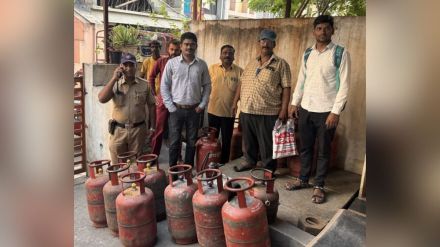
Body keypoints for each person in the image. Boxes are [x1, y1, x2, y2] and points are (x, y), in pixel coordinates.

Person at [286, 15, 351, 204]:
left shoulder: (340, 53)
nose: (323, 32)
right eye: (319, 28)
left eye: (327, 28)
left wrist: (335, 112)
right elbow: (302, 80)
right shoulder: (308, 53)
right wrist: (294, 102)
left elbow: (345, 85)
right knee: (305, 148)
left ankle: (319, 185)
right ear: (314, 31)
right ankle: (303, 179)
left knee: (323, 150)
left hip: (326, 111)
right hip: (306, 108)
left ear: (333, 30)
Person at [232, 29, 291, 173]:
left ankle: (268, 169)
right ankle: (249, 161)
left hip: (268, 112)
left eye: (269, 40)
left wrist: (284, 110)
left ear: (274, 44)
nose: (265, 43)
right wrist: (235, 102)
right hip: (247, 110)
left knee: (267, 144)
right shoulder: (252, 63)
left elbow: (286, 88)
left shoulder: (281, 64)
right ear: (259, 43)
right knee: (248, 141)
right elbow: (241, 83)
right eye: (263, 40)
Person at [160, 32, 211, 168]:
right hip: (176, 110)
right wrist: (170, 107)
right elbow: (164, 85)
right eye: (186, 44)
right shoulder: (172, 64)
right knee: (174, 142)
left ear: (196, 46)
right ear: (181, 46)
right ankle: (173, 173)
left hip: (195, 110)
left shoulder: (202, 65)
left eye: (192, 44)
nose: (189, 47)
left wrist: (202, 105)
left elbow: (207, 86)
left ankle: (188, 171)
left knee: (191, 141)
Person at [98, 53, 156, 166]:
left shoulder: (145, 85)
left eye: (132, 65)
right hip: (119, 131)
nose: (129, 68)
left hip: (138, 131)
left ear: (136, 67)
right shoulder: (115, 84)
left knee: (137, 166)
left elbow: (152, 106)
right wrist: (114, 78)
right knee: (118, 165)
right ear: (121, 66)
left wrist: (152, 127)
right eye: (125, 65)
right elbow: (101, 98)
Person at [207, 45, 243, 164]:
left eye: (230, 53)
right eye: (225, 53)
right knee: (212, 140)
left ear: (234, 56)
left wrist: (236, 104)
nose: (227, 55)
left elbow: (241, 90)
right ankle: (212, 162)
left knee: (227, 141)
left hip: (229, 112)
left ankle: (223, 164)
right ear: (220, 55)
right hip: (212, 111)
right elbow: (205, 87)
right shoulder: (212, 68)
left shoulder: (239, 71)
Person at [148, 39, 181, 156]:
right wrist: (154, 95)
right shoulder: (161, 62)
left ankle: (178, 156)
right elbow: (151, 77)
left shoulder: (183, 64)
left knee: (177, 130)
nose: (174, 52)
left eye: (177, 50)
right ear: (168, 49)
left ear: (180, 50)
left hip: (178, 101)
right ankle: (154, 156)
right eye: (172, 49)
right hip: (163, 100)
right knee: (159, 129)